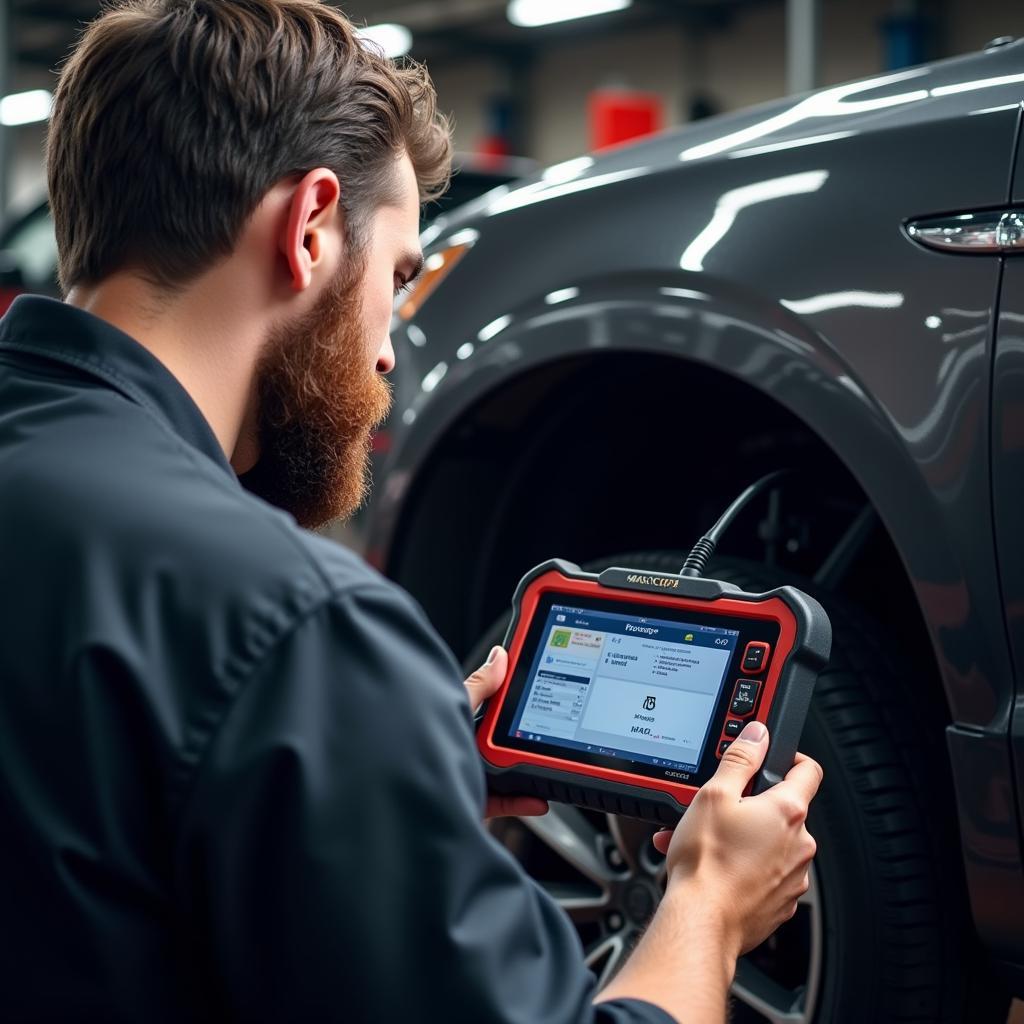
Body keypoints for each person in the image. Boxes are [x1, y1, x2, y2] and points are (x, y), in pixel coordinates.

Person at [0, 2, 821, 1021]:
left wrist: (359, 783)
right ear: (308, 230)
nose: (388, 351)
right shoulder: (294, 622)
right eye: (396, 275)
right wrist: (708, 907)